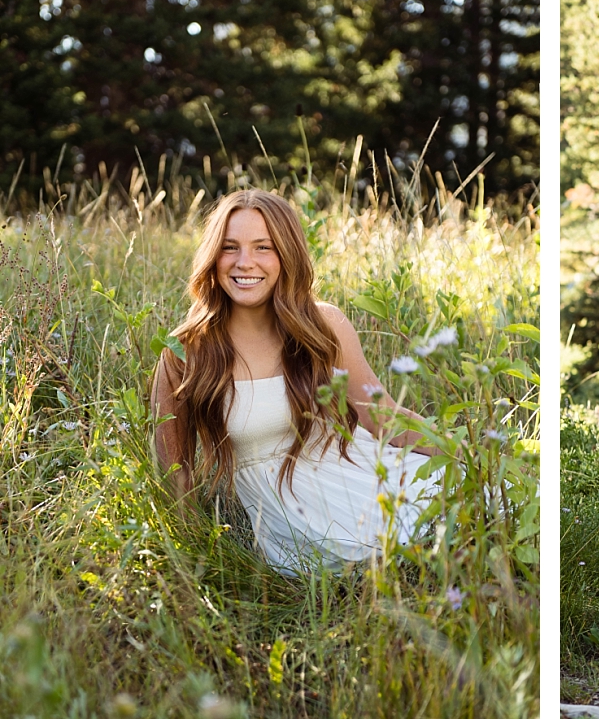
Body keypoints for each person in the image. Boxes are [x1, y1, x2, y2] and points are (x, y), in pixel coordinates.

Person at [152, 190, 441, 574]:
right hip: (291, 521)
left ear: (287, 254)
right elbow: (175, 471)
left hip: (363, 475)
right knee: (391, 554)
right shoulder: (185, 351)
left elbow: (382, 416)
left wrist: (465, 453)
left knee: (477, 502)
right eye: (229, 247)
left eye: (263, 247)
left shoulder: (323, 325)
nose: (244, 262)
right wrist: (197, 564)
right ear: (212, 257)